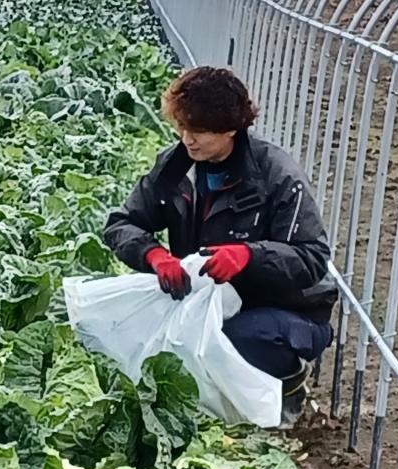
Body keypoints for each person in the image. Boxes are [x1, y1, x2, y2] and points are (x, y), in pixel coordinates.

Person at [104, 66, 337, 425]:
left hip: (286, 310)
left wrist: (249, 256)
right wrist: (154, 256)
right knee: (124, 328)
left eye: (198, 131)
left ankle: (289, 383)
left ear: (231, 129)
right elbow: (122, 223)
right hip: (207, 300)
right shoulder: (175, 167)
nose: (187, 140)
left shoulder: (276, 176)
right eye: (181, 127)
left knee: (237, 340)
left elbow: (312, 258)